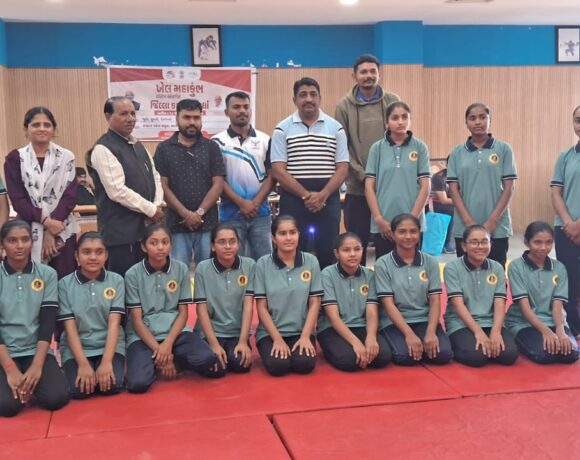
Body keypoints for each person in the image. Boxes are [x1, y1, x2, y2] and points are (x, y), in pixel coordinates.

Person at [124, 224, 219, 393]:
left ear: (171, 245)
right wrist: (160, 352)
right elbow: (137, 321)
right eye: (153, 243)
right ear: (144, 247)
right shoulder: (132, 274)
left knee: (208, 359)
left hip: (175, 332)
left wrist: (167, 344)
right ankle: (160, 362)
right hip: (144, 336)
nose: (160, 247)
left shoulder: (181, 269)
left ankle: (173, 361)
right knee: (138, 384)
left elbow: (183, 313)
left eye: (165, 242)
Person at [270, 77, 349, 269]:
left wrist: (323, 195)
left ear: (320, 98)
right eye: (303, 95)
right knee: (293, 252)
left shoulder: (336, 128)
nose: (308, 99)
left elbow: (343, 168)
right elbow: (278, 171)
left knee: (328, 252)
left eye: (313, 94)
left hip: (327, 198)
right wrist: (306, 195)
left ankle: (325, 289)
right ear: (294, 99)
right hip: (294, 199)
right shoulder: (281, 129)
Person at [87, 96, 164, 276]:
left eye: (132, 113)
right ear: (108, 117)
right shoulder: (103, 148)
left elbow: (155, 176)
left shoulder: (138, 145)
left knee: (144, 282)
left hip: (145, 232)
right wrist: (151, 210)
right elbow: (117, 191)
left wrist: (157, 205)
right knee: (123, 284)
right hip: (120, 237)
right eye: (123, 114)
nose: (130, 119)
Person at [0, 220, 69, 417]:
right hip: (4, 352)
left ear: (32, 242)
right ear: (2, 244)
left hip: (35, 350)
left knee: (56, 398)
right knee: (7, 407)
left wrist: (37, 366)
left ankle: (31, 381)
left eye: (25, 239)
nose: (20, 246)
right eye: (12, 241)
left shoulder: (47, 274)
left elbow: (47, 323)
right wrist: (10, 369)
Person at [335, 54, 399, 264]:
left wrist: (385, 177)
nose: (368, 76)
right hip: (357, 189)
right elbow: (342, 149)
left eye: (373, 71)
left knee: (389, 247)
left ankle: (388, 285)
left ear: (379, 74)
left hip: (389, 189)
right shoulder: (343, 106)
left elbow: (400, 139)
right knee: (356, 247)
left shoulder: (392, 101)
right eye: (363, 72)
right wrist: (365, 177)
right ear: (354, 75)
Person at [4, 107, 79, 279]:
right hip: (27, 230)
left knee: (63, 279)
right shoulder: (15, 158)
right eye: (36, 124)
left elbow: (70, 196)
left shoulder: (66, 157)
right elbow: (18, 200)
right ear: (26, 130)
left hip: (62, 228)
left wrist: (52, 230)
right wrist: (47, 222)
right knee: (31, 281)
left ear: (54, 130)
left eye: (47, 124)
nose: (42, 128)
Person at [154, 98, 225, 267]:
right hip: (176, 225)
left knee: (208, 273)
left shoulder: (211, 147)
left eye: (196, 117)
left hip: (207, 224)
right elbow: (162, 186)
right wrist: (186, 214)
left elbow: (218, 184)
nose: (192, 122)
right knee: (178, 273)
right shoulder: (164, 149)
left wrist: (198, 213)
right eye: (187, 117)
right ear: (177, 118)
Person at [375, 214, 453, 365]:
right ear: (393, 234)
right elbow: (388, 304)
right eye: (402, 232)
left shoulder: (430, 262)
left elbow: (435, 301)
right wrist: (409, 334)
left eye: (413, 231)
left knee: (443, 355)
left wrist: (431, 332)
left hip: (424, 319)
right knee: (406, 357)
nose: (408, 236)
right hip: (394, 321)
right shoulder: (383, 264)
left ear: (420, 233)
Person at [447, 103, 517, 268]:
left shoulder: (504, 149)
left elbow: (509, 188)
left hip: (497, 227)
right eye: (472, 118)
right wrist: (469, 223)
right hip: (464, 226)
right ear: (466, 122)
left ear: (490, 120)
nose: (477, 122)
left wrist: (492, 221)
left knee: (495, 273)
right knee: (466, 273)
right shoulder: (457, 153)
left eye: (482, 117)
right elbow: (454, 190)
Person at [57, 232, 126, 398]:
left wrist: (107, 362)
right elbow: (70, 328)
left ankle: (113, 366)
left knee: (111, 386)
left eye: (99, 252)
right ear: (76, 256)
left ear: (106, 255)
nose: (93, 257)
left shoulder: (116, 281)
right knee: (79, 391)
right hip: (78, 346)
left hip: (108, 344)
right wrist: (82, 364)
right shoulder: (64, 284)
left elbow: (114, 324)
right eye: (86, 252)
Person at [254, 215, 322, 376]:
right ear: (273, 238)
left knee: (304, 364)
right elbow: (261, 307)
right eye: (282, 233)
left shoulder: (311, 261)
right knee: (278, 366)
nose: (288, 238)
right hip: (270, 333)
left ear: (299, 234)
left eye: (292, 232)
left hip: (301, 331)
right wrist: (277, 339)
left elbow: (315, 303)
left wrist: (305, 336)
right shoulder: (262, 264)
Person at [444, 225, 518, 367]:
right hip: (461, 323)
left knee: (509, 355)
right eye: (474, 242)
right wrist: (478, 332)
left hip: (489, 321)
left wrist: (496, 331)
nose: (480, 246)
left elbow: (500, 302)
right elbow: (457, 304)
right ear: (464, 246)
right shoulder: (452, 268)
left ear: (490, 244)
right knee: (477, 357)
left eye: (484, 242)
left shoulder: (497, 267)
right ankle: (454, 343)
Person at [365, 101, 431, 259]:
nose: (400, 122)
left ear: (410, 120)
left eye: (404, 117)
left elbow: (425, 187)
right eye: (395, 118)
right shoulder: (377, 148)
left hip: (413, 223)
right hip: (384, 224)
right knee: (385, 269)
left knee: (412, 267)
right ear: (386, 122)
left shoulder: (420, 147)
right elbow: (369, 186)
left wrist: (411, 221)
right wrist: (379, 219)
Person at [506, 222, 579, 364]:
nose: (543, 247)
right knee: (546, 354)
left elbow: (558, 305)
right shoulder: (516, 267)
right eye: (537, 242)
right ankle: (521, 339)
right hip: (524, 323)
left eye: (548, 242)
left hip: (554, 320)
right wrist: (546, 331)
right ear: (527, 242)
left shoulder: (559, 267)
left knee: (570, 353)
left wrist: (560, 330)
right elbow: (524, 307)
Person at [213, 91, 274, 260]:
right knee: (232, 262)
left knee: (265, 262)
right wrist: (242, 203)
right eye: (236, 107)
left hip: (261, 213)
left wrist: (254, 204)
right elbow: (218, 180)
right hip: (230, 214)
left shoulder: (265, 140)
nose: (242, 111)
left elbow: (272, 176)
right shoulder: (216, 142)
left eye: (246, 107)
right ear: (227, 112)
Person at [317, 232, 391, 371]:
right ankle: (330, 350)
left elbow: (371, 312)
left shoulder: (369, 275)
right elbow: (333, 317)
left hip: (361, 325)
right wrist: (356, 343)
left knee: (383, 357)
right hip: (332, 328)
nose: (352, 254)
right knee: (349, 360)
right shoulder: (327, 275)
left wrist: (371, 337)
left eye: (357, 249)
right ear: (337, 253)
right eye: (346, 250)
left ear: (363, 250)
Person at [194, 224, 255, 377]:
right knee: (215, 369)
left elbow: (248, 305)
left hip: (236, 332)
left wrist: (243, 342)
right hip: (211, 332)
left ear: (238, 244)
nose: (228, 246)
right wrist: (213, 344)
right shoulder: (202, 268)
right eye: (221, 242)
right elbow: (201, 309)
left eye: (232, 241)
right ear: (213, 246)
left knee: (241, 365)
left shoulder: (249, 265)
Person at [550, 105, 580, 335]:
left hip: (575, 227)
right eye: (578, 120)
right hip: (566, 230)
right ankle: (575, 327)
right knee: (569, 281)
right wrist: (570, 223)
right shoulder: (565, 157)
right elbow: (556, 192)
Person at [430, 161, 455, 253]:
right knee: (450, 209)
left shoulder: (461, 175)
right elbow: (443, 200)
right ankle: (446, 243)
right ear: (447, 165)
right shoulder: (439, 177)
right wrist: (462, 202)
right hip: (438, 205)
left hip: (453, 202)